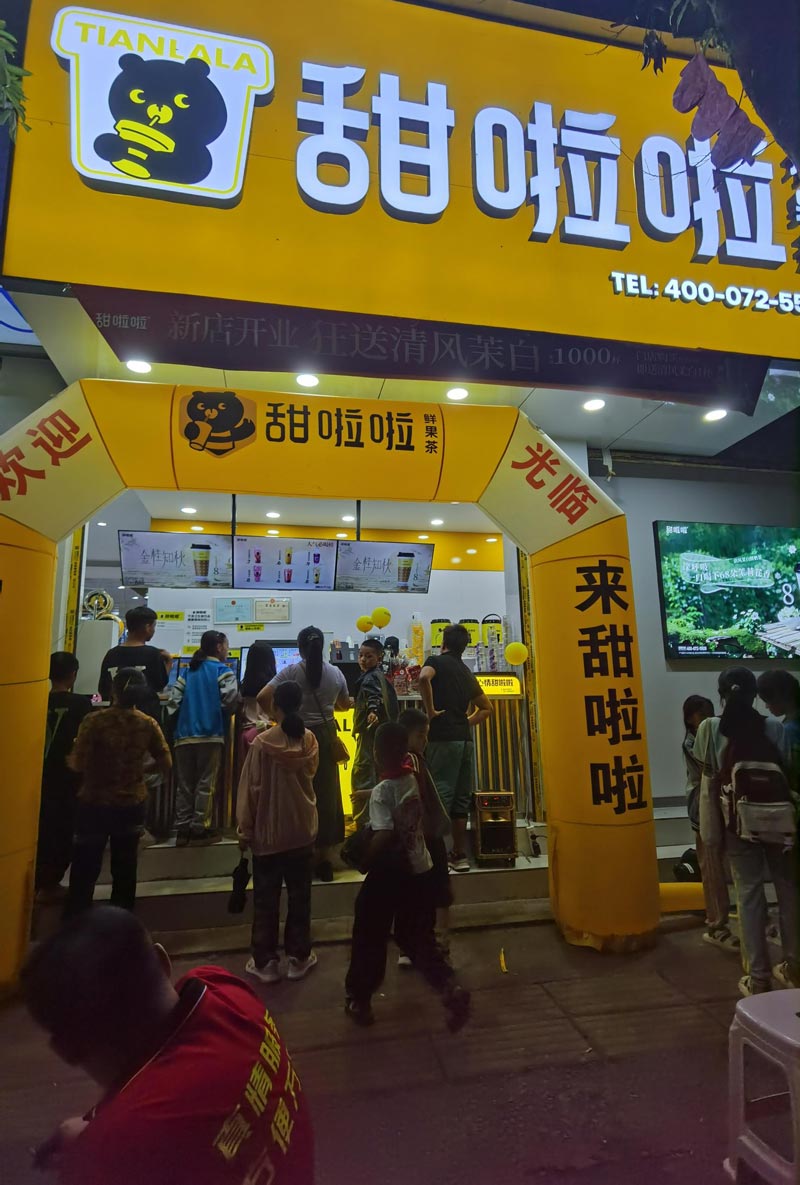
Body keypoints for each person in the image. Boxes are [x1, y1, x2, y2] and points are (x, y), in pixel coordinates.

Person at [22, 907, 314, 1185]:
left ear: (66, 1050)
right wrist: (100, 1128)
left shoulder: (108, 1159)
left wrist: (98, 1142)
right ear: (163, 960)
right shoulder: (222, 989)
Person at [344, 721, 470, 1031]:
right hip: (420, 868)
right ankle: (448, 986)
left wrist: (364, 862)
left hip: (388, 873)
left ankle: (360, 999)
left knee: (369, 932)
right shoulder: (412, 778)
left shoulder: (382, 792)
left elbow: (384, 833)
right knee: (417, 937)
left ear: (376, 753)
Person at [695, 666, 798, 996]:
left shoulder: (710, 728)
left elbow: (708, 780)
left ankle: (758, 979)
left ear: (721, 696)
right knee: (787, 891)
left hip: (737, 825)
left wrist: (711, 831)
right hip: (779, 822)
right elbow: (786, 774)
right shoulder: (774, 727)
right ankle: (794, 969)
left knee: (749, 895)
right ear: (755, 696)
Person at [64, 669, 172, 917]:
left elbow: (77, 763)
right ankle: (121, 919)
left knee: (85, 865)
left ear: (113, 690)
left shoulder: (94, 721)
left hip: (94, 801)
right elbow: (166, 762)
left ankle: (77, 919)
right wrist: (139, 768)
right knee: (125, 866)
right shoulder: (147, 723)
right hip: (131, 803)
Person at [237, 680, 319, 985]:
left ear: (275, 706)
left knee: (266, 900)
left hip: (269, 833)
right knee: (300, 898)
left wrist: (245, 829)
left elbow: (251, 790)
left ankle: (265, 962)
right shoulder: (309, 740)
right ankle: (299, 958)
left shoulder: (262, 743)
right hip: (302, 830)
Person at [258, 626, 350, 882]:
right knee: (327, 796)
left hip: (296, 734)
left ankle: (298, 854)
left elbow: (263, 696)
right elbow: (344, 705)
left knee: (295, 794)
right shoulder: (335, 673)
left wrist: (278, 719)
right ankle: (324, 860)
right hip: (326, 738)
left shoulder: (290, 672)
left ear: (300, 649)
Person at [418, 623, 492, 872]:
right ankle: (459, 855)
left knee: (439, 796)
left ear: (443, 643)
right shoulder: (465, 671)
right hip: (465, 741)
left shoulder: (436, 662)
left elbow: (423, 678)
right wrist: (463, 723)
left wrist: (430, 711)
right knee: (461, 799)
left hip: (442, 740)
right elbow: (486, 708)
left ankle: (434, 857)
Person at [168, 630, 238, 846]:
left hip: (183, 735)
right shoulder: (223, 671)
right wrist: (216, 712)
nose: (227, 650)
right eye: (226, 646)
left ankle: (182, 830)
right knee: (205, 783)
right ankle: (199, 828)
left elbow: (173, 702)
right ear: (219, 647)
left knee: (184, 785)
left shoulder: (188, 672)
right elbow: (231, 699)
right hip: (210, 733)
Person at [682, 694, 738, 953]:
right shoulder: (692, 743)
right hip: (702, 806)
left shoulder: (715, 735)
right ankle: (716, 924)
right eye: (702, 715)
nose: (708, 720)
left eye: (710, 714)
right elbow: (711, 767)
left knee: (727, 863)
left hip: (723, 803)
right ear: (689, 718)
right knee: (710, 866)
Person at [35, 652, 93, 901]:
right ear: (73, 674)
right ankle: (51, 883)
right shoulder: (81, 704)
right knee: (64, 829)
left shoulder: (37, 701)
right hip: (69, 776)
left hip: (38, 775)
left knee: (42, 826)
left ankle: (38, 881)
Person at [398, 707, 454, 957]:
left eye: (426, 735)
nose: (425, 740)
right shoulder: (413, 760)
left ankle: (413, 945)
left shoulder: (401, 760)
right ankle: (437, 942)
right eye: (421, 735)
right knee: (436, 889)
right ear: (406, 735)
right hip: (427, 835)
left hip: (413, 837)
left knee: (414, 892)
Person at [351, 637, 399, 826]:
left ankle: (363, 824)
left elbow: (374, 697)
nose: (363, 659)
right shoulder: (380, 676)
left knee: (363, 774)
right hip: (380, 737)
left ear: (379, 657)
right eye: (361, 655)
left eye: (368, 656)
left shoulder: (370, 678)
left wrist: (372, 711)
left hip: (369, 734)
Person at [98, 605, 172, 711]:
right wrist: (169, 662)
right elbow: (159, 685)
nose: (153, 630)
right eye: (153, 626)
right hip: (145, 713)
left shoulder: (111, 654)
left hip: (116, 714)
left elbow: (103, 688)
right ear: (147, 627)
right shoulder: (152, 654)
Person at [758, 669, 800, 794]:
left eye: (767, 700)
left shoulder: (789, 730)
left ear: (780, 696)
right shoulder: (789, 724)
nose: (766, 706)